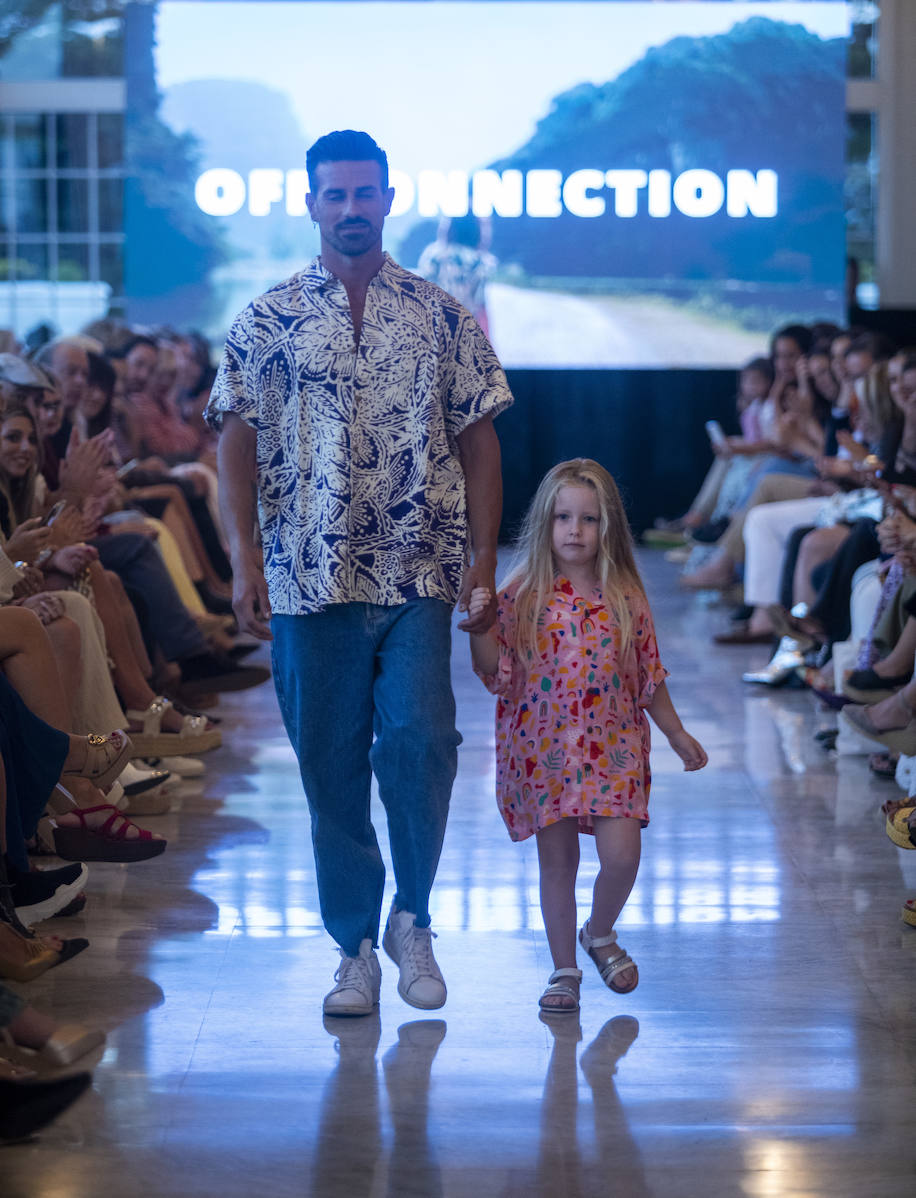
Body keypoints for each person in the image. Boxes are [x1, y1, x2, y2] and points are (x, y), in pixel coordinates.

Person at [209, 129, 512, 1017]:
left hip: (418, 568)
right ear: (311, 204)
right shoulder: (264, 319)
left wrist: (484, 561)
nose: (350, 209)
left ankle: (412, 918)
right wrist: (240, 558)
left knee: (422, 741)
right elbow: (235, 440)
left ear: (387, 199)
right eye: (334, 195)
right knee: (327, 766)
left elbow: (481, 443)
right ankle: (354, 948)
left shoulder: (441, 314)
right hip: (306, 576)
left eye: (365, 193)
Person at [467, 458, 707, 1014]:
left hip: (614, 747)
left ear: (608, 527)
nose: (574, 531)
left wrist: (674, 733)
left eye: (589, 519)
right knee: (559, 863)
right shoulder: (521, 592)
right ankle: (563, 970)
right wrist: (480, 630)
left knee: (622, 855)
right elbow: (495, 674)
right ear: (544, 524)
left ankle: (599, 933)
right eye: (562, 518)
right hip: (544, 751)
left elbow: (648, 674)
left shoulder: (625, 595)